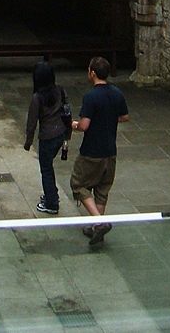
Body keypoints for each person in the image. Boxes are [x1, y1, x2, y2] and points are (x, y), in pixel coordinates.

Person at [69, 56, 129, 248]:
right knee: (102, 189)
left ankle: (99, 221)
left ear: (93, 73)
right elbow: (125, 116)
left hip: (92, 151)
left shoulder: (91, 97)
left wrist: (73, 125)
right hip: (110, 150)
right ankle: (97, 229)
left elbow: (85, 126)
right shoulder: (117, 93)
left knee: (78, 184)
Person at [24, 62, 72, 214]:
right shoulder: (60, 90)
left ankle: (51, 202)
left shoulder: (37, 98)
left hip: (47, 136)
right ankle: (52, 194)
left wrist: (28, 142)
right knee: (48, 166)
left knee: (46, 168)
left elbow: (31, 123)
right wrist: (68, 134)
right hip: (61, 133)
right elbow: (67, 112)